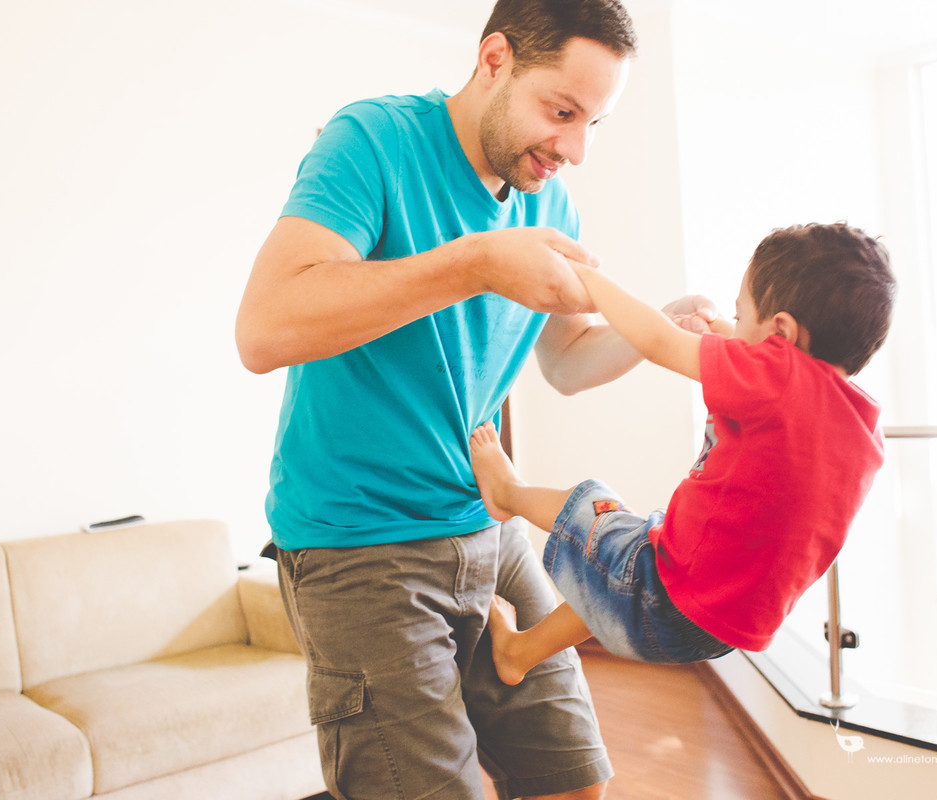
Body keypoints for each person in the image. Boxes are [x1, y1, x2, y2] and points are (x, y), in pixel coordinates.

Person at [235, 2, 705, 798]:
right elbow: (264, 328)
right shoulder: (371, 141)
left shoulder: (549, 200)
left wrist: (652, 331)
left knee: (571, 780)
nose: (575, 149)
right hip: (360, 541)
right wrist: (476, 263)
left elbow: (565, 361)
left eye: (594, 123)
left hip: (486, 521)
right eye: (562, 112)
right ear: (495, 60)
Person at [468, 222, 896, 686]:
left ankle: (506, 493)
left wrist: (588, 280)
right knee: (625, 553)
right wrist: (717, 331)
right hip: (716, 630)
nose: (733, 328)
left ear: (782, 333)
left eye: (740, 315)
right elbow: (761, 365)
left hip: (664, 596)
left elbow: (656, 341)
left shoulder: (779, 379)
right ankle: (520, 653)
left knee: (594, 504)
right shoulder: (861, 430)